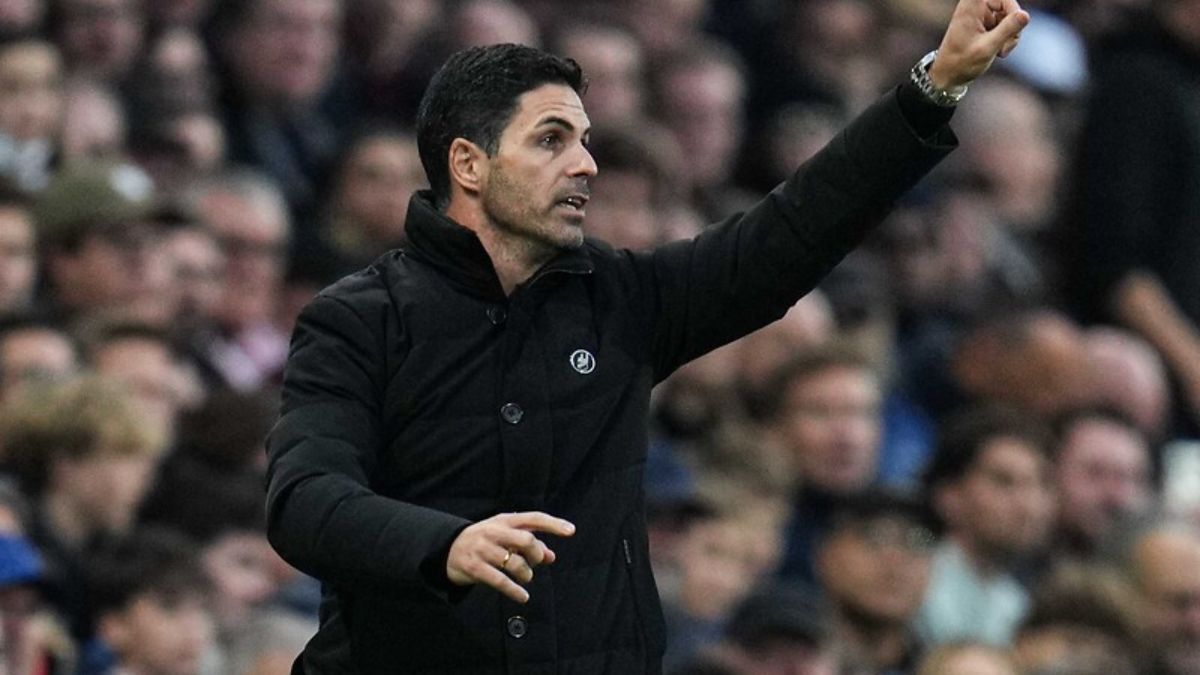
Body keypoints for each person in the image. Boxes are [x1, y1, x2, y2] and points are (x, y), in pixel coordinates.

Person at [265, 3, 1031, 672]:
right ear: (468, 163)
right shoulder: (357, 319)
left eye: (585, 139)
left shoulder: (623, 297)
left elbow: (792, 232)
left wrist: (934, 87)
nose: (585, 164)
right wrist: (443, 545)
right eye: (552, 139)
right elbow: (305, 498)